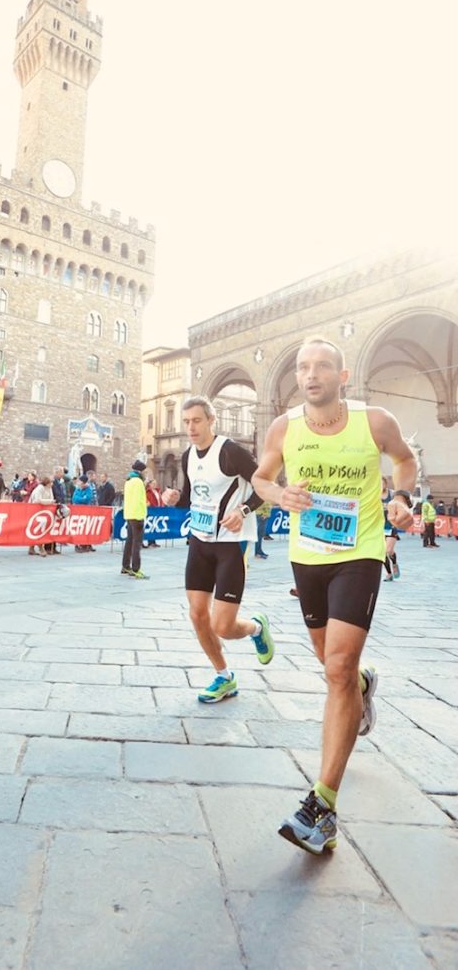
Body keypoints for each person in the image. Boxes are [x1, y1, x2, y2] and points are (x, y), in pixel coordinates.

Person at [252, 338, 415, 856]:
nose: (311, 374)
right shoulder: (284, 428)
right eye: (303, 367)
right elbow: (260, 478)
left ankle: (321, 807)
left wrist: (402, 498)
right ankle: (363, 684)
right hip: (308, 557)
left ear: (343, 376)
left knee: (337, 668)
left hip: (359, 552)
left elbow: (405, 460)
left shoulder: (375, 422)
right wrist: (280, 494)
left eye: (322, 366)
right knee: (333, 665)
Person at [163, 396, 273, 705]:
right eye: (186, 422)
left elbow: (264, 486)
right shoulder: (188, 456)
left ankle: (256, 628)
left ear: (212, 420)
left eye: (197, 420)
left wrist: (243, 511)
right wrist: (176, 498)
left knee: (223, 626)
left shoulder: (230, 451)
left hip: (231, 545)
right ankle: (224, 676)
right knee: (198, 615)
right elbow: (191, 497)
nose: (191, 427)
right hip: (200, 543)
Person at [121, 460, 149, 578]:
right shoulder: (138, 482)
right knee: (137, 543)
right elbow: (140, 499)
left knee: (129, 541)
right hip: (137, 515)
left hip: (129, 514)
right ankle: (136, 569)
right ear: (140, 471)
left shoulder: (128, 481)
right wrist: (144, 509)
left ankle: (125, 566)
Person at [380, 476, 401, 582]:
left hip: (391, 527)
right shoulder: (374, 495)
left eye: (382, 483)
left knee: (389, 550)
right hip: (379, 528)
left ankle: (394, 563)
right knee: (382, 552)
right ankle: (389, 574)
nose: (381, 486)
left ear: (386, 484)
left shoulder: (392, 494)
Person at [29, 476, 55, 556]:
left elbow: (51, 497)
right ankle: (41, 548)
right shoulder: (39, 488)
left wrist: (50, 501)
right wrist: (50, 501)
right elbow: (37, 500)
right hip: (35, 510)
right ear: (46, 483)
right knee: (38, 529)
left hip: (45, 510)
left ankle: (31, 548)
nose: (52, 484)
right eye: (51, 482)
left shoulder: (49, 488)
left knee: (43, 529)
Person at [72, 473, 97, 552]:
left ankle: (86, 544)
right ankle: (77, 545)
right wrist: (81, 498)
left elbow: (87, 499)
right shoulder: (77, 489)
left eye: (80, 482)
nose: (79, 483)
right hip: (77, 511)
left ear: (84, 483)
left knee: (86, 528)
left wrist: (80, 499)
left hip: (85, 511)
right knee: (77, 528)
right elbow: (74, 498)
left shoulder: (88, 489)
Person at [144, 477, 162, 547]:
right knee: (150, 526)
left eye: (155, 483)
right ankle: (150, 541)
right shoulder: (148, 492)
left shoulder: (157, 491)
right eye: (153, 483)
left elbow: (160, 500)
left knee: (155, 526)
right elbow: (149, 500)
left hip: (157, 510)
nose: (155, 485)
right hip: (151, 510)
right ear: (150, 484)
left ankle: (153, 541)